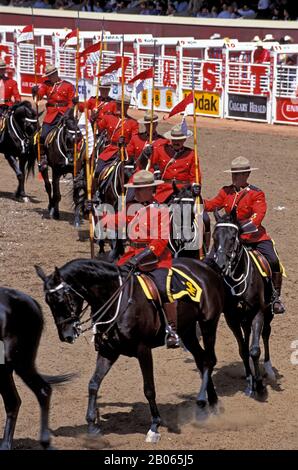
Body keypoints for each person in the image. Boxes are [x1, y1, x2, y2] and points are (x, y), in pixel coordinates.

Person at [100, 170, 180, 348]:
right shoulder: (135, 209)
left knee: (162, 288)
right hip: (132, 255)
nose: (135, 192)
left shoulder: (162, 211)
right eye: (135, 188)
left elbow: (161, 240)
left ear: (150, 189)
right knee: (113, 281)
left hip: (157, 259)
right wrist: (100, 216)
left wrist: (144, 255)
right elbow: (121, 219)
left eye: (139, 188)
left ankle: (172, 329)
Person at [204, 156, 285, 314]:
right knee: (210, 261)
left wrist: (241, 230)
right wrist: (197, 197)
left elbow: (258, 216)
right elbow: (212, 205)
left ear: (247, 175)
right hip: (230, 240)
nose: (234, 177)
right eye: (233, 173)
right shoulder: (225, 191)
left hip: (254, 238)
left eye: (238, 174)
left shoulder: (256, 193)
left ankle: (275, 297)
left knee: (274, 261)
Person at [31, 64, 75, 167]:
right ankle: (43, 157)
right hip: (51, 114)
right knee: (42, 135)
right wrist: (35, 92)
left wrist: (68, 113)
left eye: (51, 75)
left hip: (65, 114)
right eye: (48, 76)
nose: (49, 78)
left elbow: (71, 102)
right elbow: (38, 98)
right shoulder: (46, 85)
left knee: (73, 134)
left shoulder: (68, 85)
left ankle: (73, 155)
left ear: (56, 74)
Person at [148, 124, 201, 204]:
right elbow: (151, 167)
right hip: (163, 191)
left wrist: (195, 186)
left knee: (201, 214)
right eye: (174, 140)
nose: (176, 142)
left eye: (179, 140)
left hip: (184, 192)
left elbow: (195, 176)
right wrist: (154, 174)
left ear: (184, 139)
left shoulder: (191, 154)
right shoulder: (160, 150)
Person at [95, 93, 138, 176]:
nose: (120, 106)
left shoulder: (133, 123)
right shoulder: (108, 118)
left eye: (123, 105)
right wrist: (93, 119)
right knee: (97, 171)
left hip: (125, 154)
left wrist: (125, 145)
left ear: (128, 106)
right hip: (109, 151)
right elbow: (97, 130)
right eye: (118, 104)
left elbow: (134, 141)